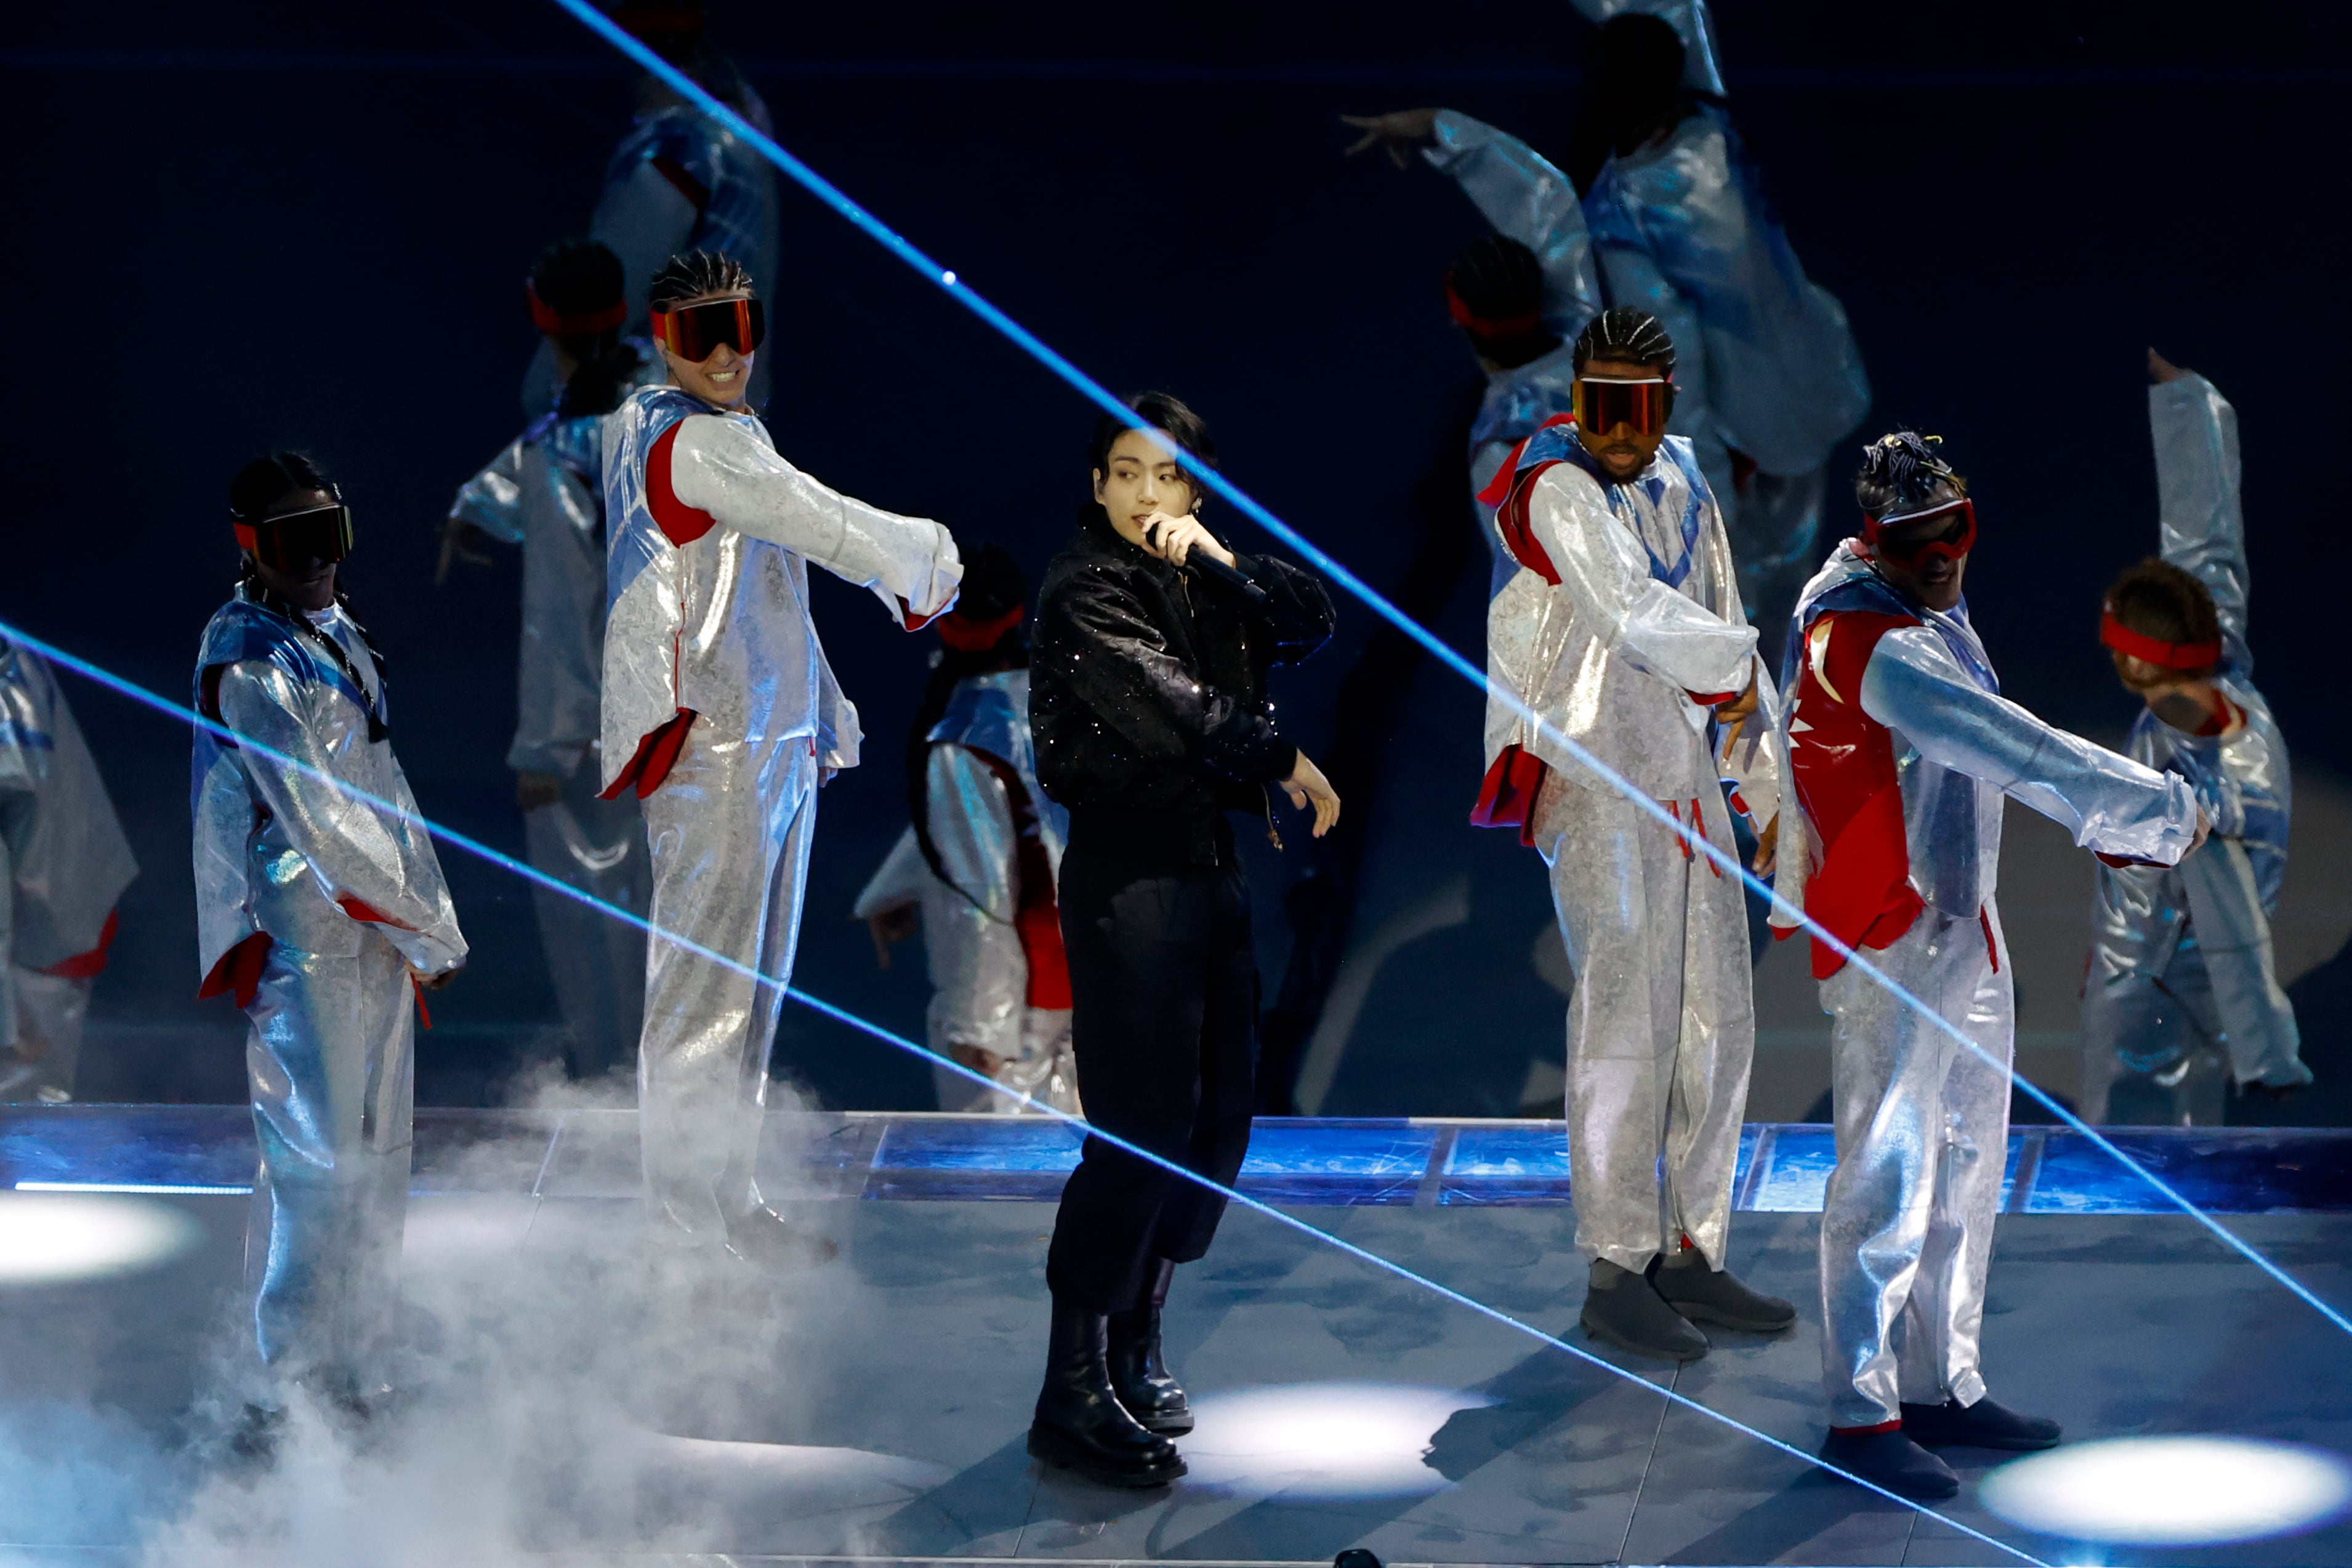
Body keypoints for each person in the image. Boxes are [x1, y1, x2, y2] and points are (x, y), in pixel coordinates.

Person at [1782, 432, 2204, 1499]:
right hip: (1895, 932)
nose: (1937, 554)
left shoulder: (1916, 612)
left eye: (1951, 533)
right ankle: (1862, 1407)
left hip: (1958, 919)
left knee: (1966, 1155)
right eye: (1913, 538)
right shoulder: (1869, 638)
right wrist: (2150, 811)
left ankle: (1939, 1379)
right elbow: (2013, 746)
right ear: (1876, 538)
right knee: (1887, 1164)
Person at [602, 249, 962, 1260]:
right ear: (662, 338)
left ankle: (726, 1201)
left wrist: (820, 709)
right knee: (703, 996)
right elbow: (819, 519)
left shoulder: (707, 430)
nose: (726, 353)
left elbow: (771, 573)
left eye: (741, 327)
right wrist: (926, 558)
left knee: (750, 988)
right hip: (714, 745)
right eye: (699, 333)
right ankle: (684, 1234)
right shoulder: (688, 439)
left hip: (763, 738)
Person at [1470, 307, 1794, 1364]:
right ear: (1576, 397)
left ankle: (1691, 1246)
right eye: (1597, 403)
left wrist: (1767, 791)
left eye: (1638, 408)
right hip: (1596, 767)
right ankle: (1617, 1265)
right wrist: (1738, 669)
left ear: (1668, 402)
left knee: (1716, 1010)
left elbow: (1720, 604)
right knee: (1628, 1013)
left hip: (1682, 763)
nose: (1616, 429)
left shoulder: (1687, 473)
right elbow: (1629, 608)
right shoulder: (1555, 482)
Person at [1026, 393, 1339, 1486]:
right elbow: (1176, 709)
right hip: (1129, 879)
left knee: (1215, 1120)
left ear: (1194, 486)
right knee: (1139, 1128)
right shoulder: (1083, 589)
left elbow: (1309, 615)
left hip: (1209, 872)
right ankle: (1069, 1389)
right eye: (1123, 472)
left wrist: (1218, 555)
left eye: (1164, 475)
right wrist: (1281, 757)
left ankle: (1134, 1340)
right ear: (1098, 484)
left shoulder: (1196, 568)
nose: (1142, 494)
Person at [192, 453, 467, 1421]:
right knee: (314, 1160)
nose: (314, 559)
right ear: (250, 547)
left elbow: (386, 795)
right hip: (309, 931)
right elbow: (319, 819)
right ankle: (299, 1384)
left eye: (328, 535)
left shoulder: (336, 631)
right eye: (290, 541)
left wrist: (425, 918)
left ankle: (362, 1365)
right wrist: (422, 921)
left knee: (378, 1151)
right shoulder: (251, 658)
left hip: (374, 928)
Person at [1573, 11, 1869, 648]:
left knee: (1749, 602)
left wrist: (1706, 499)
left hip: (1746, 436)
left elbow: (1671, 353)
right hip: (1814, 372)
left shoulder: (1619, 212)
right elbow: (1682, 15)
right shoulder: (1716, 132)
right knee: (1799, 571)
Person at [446, 238, 661, 1081]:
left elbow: (564, 607)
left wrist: (545, 744)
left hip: (597, 731)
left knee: (596, 933)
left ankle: (617, 1097)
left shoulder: (558, 445)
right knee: (674, 929)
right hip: (691, 711)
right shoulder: (682, 408)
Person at [2079, 352, 2308, 1124]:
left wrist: (2267, 1056)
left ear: (2140, 661)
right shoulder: (2218, 656)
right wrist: (2188, 404)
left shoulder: (2202, 796)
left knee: (2137, 1175)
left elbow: (2235, 939)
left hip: (2159, 1005)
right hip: (2146, 959)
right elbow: (2206, 541)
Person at [1339, 107, 1605, 595]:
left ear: (1458, 321)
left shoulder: (1504, 448)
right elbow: (1547, 201)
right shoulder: (1596, 340)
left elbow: (1544, 588)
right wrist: (1439, 123)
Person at [853, 545, 1077, 1115]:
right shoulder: (1064, 702)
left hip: (1022, 996)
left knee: (1003, 1187)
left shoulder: (961, 736)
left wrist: (981, 1024)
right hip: (1091, 970)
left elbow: (984, 884)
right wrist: (900, 886)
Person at [525, 1, 780, 417]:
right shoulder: (743, 145)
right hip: (726, 417)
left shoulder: (682, 148)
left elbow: (613, 281)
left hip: (656, 421)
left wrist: (547, 389)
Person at [0, 634, 137, 1104]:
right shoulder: (15, 659)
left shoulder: (9, 681)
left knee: (23, 1116)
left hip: (41, 930)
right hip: (56, 913)